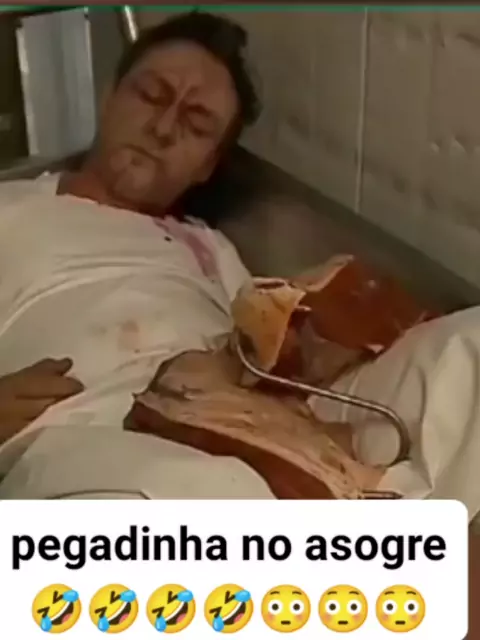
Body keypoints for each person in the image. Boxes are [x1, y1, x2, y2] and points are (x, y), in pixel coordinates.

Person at [0, 11, 274, 499]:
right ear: (108, 98)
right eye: (150, 96)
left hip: (237, 434)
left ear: (206, 167)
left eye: (196, 124)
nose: (163, 128)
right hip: (90, 440)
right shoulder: (10, 209)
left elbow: (271, 355)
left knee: (436, 356)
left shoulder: (211, 248)